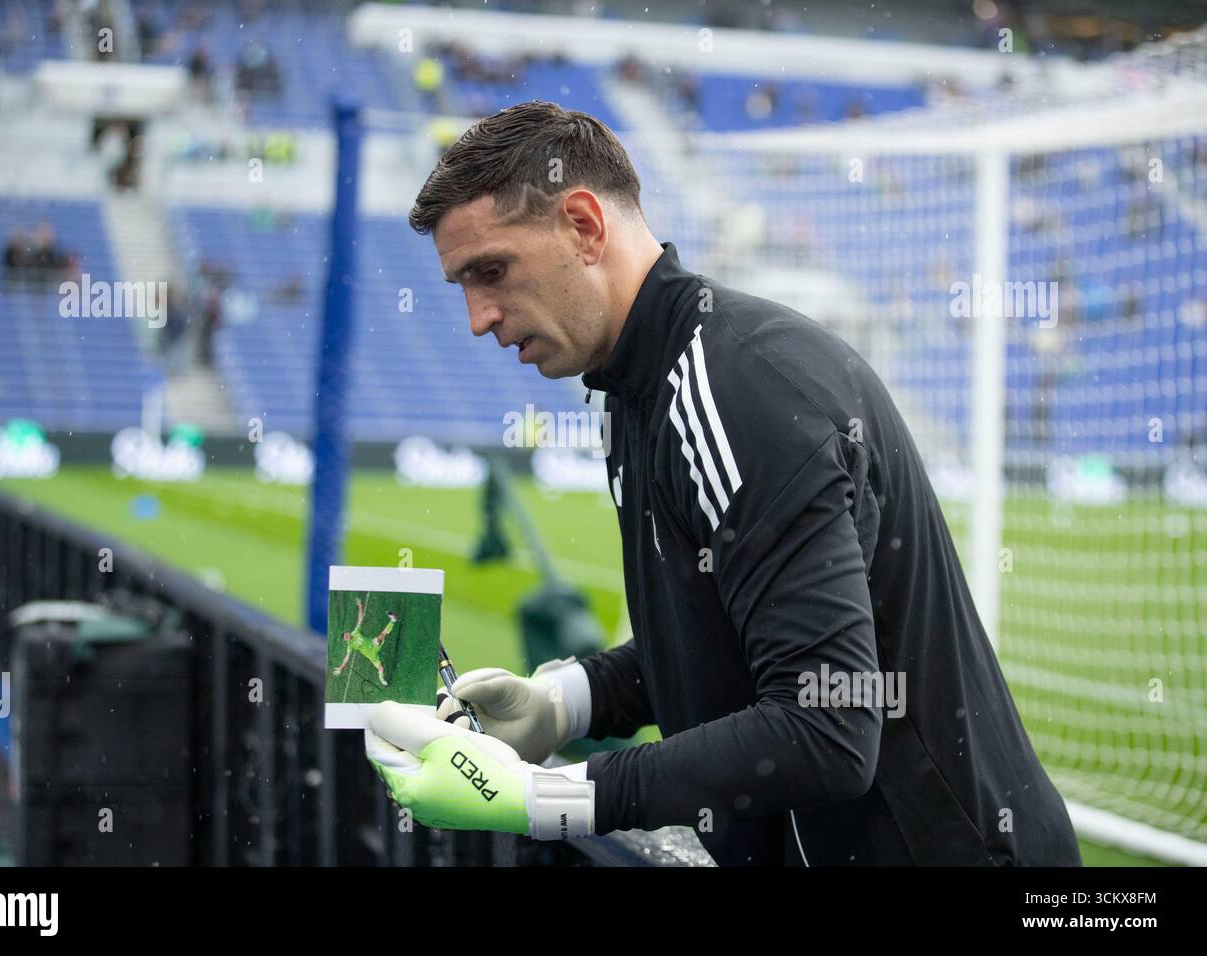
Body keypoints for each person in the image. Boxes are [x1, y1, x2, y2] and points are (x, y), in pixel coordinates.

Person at [364, 101, 1082, 866]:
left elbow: (827, 727)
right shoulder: (640, 388)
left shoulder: (739, 391)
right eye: (461, 286)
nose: (479, 317)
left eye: (491, 271)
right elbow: (726, 633)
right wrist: (565, 700)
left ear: (583, 224)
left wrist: (548, 798)